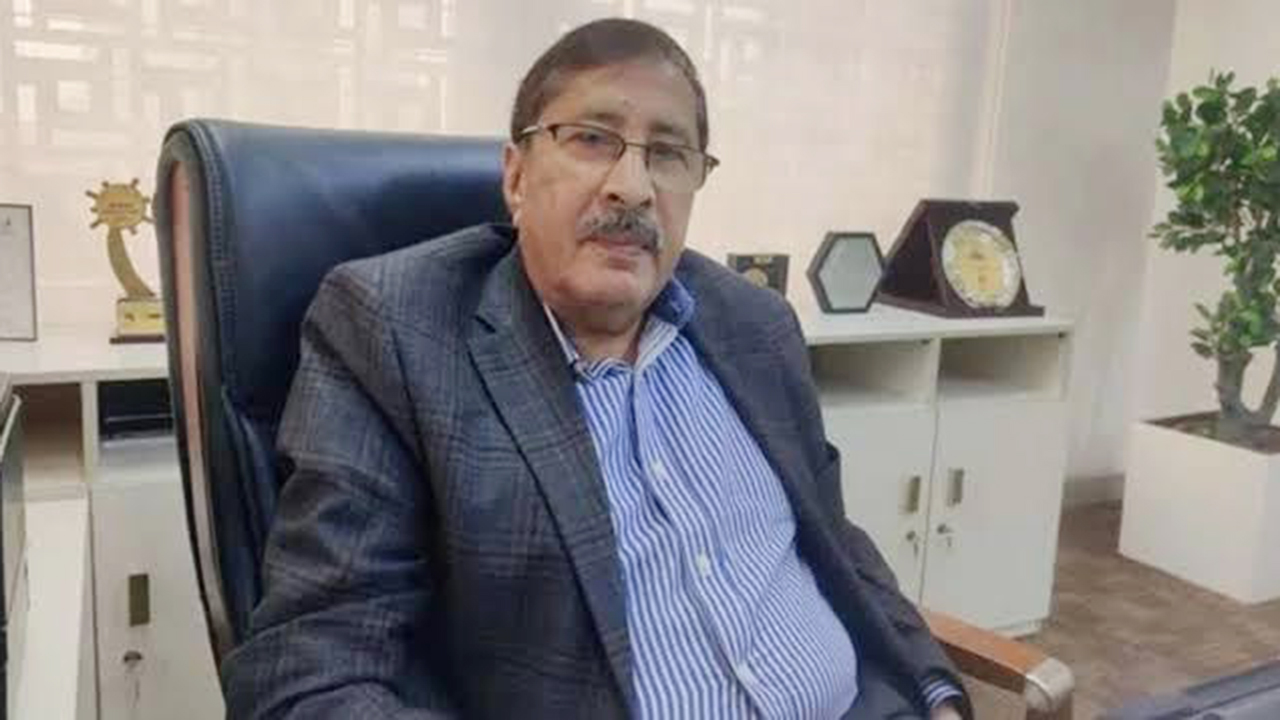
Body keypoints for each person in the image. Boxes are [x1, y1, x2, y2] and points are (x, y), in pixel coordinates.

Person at [223, 17, 970, 720]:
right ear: (516, 176)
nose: (633, 187)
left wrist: (936, 693)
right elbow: (311, 676)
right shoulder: (396, 332)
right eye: (590, 139)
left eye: (668, 153)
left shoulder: (755, 324)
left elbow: (834, 540)